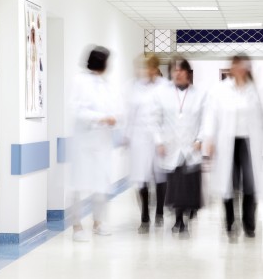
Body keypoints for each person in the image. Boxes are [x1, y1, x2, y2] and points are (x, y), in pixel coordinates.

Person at [205, 54, 263, 238]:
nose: (239, 69)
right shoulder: (220, 90)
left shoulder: (256, 90)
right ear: (231, 67)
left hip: (249, 142)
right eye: (235, 65)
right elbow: (210, 115)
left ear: (247, 68)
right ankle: (230, 223)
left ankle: (249, 224)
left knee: (250, 184)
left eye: (242, 65)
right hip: (227, 142)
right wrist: (209, 139)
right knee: (228, 184)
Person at [70, 46, 120, 242]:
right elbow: (75, 110)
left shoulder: (106, 84)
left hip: (102, 143)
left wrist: (114, 118)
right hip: (84, 142)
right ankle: (76, 227)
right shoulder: (79, 81)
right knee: (79, 184)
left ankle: (98, 223)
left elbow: (115, 108)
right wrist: (100, 118)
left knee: (101, 184)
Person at [154, 57, 206, 234]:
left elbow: (205, 121)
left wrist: (200, 139)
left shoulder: (199, 94)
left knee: (190, 185)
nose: (177, 73)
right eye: (174, 70)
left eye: (181, 70)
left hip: (192, 146)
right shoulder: (162, 94)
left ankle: (189, 212)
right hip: (172, 146)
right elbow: (155, 120)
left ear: (187, 73)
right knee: (175, 185)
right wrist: (159, 141)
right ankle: (178, 221)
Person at [125, 55, 168, 234]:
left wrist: (164, 139)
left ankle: (159, 212)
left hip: (160, 139)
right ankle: (144, 216)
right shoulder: (134, 87)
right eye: (144, 67)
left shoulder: (165, 87)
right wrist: (127, 135)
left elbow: (168, 114)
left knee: (160, 177)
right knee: (141, 178)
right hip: (140, 138)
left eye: (149, 67)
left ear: (155, 68)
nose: (146, 70)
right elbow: (130, 113)